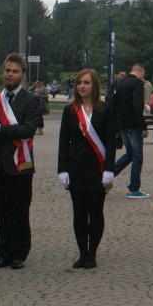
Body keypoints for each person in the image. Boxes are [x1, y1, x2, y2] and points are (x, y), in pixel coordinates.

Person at [0, 53, 42, 270]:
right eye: (7, 70)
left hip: (21, 164)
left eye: (14, 71)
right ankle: (4, 252)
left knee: (19, 211)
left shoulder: (31, 101)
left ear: (22, 75)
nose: (10, 74)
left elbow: (28, 129)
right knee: (2, 210)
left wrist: (2, 129)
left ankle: (19, 253)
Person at [57, 68, 117, 269]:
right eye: (79, 83)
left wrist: (110, 169)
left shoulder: (106, 109)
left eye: (86, 83)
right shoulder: (69, 111)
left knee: (96, 211)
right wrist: (62, 169)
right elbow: (63, 141)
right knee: (79, 212)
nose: (82, 86)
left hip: (97, 168)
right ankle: (82, 252)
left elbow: (110, 142)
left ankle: (92, 254)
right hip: (76, 168)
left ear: (94, 86)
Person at [112, 64, 149, 198]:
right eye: (143, 73)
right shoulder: (137, 83)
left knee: (129, 154)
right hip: (133, 124)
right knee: (137, 156)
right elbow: (137, 106)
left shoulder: (120, 83)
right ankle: (134, 188)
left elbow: (113, 102)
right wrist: (143, 126)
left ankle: (108, 175)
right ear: (140, 71)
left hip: (122, 124)